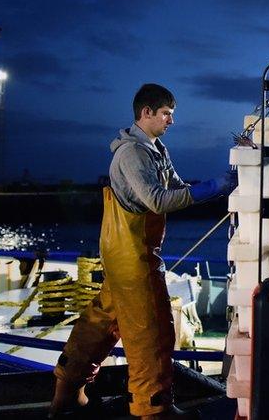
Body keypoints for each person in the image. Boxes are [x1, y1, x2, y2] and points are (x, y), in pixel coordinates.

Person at [49, 83, 236, 419]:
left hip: (126, 257)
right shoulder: (133, 153)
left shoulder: (155, 149)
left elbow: (178, 187)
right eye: (166, 114)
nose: (171, 121)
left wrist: (222, 186)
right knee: (152, 332)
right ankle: (153, 410)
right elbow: (159, 200)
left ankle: (66, 392)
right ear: (146, 112)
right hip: (132, 258)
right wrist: (214, 187)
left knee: (99, 325)